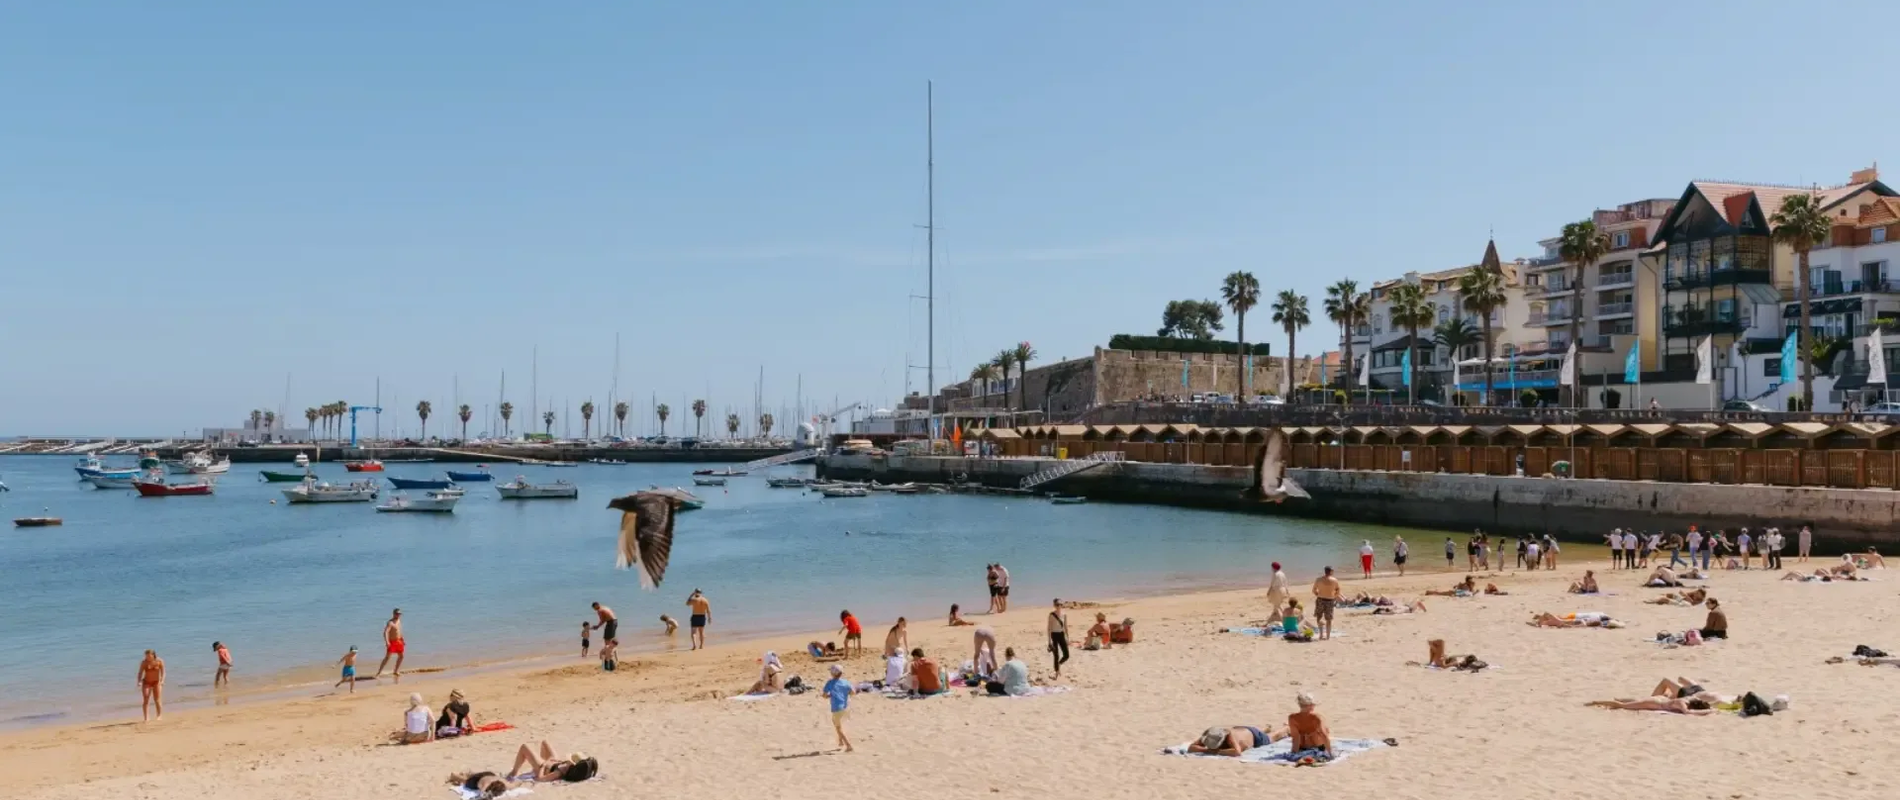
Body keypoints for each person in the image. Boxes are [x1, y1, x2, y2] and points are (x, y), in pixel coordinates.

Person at [506, 742, 598, 783]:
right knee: (544, 743)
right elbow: (563, 762)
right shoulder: (568, 765)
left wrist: (544, 765)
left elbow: (540, 779)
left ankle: (515, 771)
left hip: (543, 767)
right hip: (554, 763)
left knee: (524, 747)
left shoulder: (559, 773)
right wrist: (556, 761)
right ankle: (538, 764)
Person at [1286, 692, 1332, 758]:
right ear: (1311, 705)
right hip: (1318, 748)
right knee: (1325, 729)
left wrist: (1293, 753)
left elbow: (1296, 738)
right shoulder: (1317, 717)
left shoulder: (1292, 718)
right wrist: (1330, 753)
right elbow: (1324, 735)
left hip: (1301, 749)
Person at [1188, 724, 1281, 756]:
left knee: (1274, 736)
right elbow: (1191, 748)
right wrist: (1207, 750)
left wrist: (1216, 751)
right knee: (1260, 732)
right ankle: (1264, 729)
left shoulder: (1229, 736)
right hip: (1242, 730)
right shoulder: (1211, 735)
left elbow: (1237, 752)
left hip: (1254, 737)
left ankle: (1287, 728)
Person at [823, 664, 853, 753]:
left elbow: (824, 695)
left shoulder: (830, 683)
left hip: (836, 708)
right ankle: (840, 741)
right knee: (838, 723)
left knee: (838, 727)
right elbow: (852, 692)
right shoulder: (846, 682)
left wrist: (829, 695)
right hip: (846, 706)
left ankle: (848, 745)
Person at [374, 608, 406, 681]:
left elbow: (399, 631)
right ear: (393, 614)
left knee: (401, 656)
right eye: (397, 614)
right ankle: (378, 673)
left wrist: (402, 639)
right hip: (392, 642)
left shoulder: (399, 621)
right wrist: (387, 642)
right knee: (387, 658)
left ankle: (395, 671)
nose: (398, 615)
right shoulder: (390, 623)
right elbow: (385, 632)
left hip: (399, 641)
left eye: (399, 614)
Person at [1311, 566, 1341, 640]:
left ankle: (1321, 635)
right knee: (1329, 619)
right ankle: (1328, 636)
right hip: (1330, 600)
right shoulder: (1335, 580)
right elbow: (1338, 591)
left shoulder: (1318, 580)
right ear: (1330, 571)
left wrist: (1317, 594)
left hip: (1320, 599)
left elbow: (1314, 590)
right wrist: (1334, 596)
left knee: (1319, 616)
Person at [137, 650, 165, 722]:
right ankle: (146, 717)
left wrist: (162, 680)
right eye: (146, 656)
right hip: (147, 682)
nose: (147, 657)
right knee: (146, 698)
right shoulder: (144, 663)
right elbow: (140, 673)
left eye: (149, 656)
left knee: (157, 699)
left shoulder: (159, 661)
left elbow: (163, 672)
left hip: (156, 682)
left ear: (153, 655)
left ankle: (159, 716)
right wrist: (139, 681)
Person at [1047, 599, 1071, 677]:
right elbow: (1049, 628)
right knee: (1056, 655)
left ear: (1062, 605)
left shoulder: (1064, 614)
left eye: (1060, 604)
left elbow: (1066, 627)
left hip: (1061, 634)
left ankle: (1059, 664)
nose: (1058, 606)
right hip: (1054, 635)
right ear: (1054, 605)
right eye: (1057, 604)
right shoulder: (1051, 615)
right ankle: (1057, 671)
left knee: (1066, 655)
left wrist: (1068, 638)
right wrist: (1049, 641)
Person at [1529, 611, 1618, 628]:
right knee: (1551, 619)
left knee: (1548, 618)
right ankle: (1539, 621)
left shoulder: (1585, 623)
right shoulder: (1585, 623)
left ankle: (1539, 621)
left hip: (1563, 622)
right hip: (1563, 623)